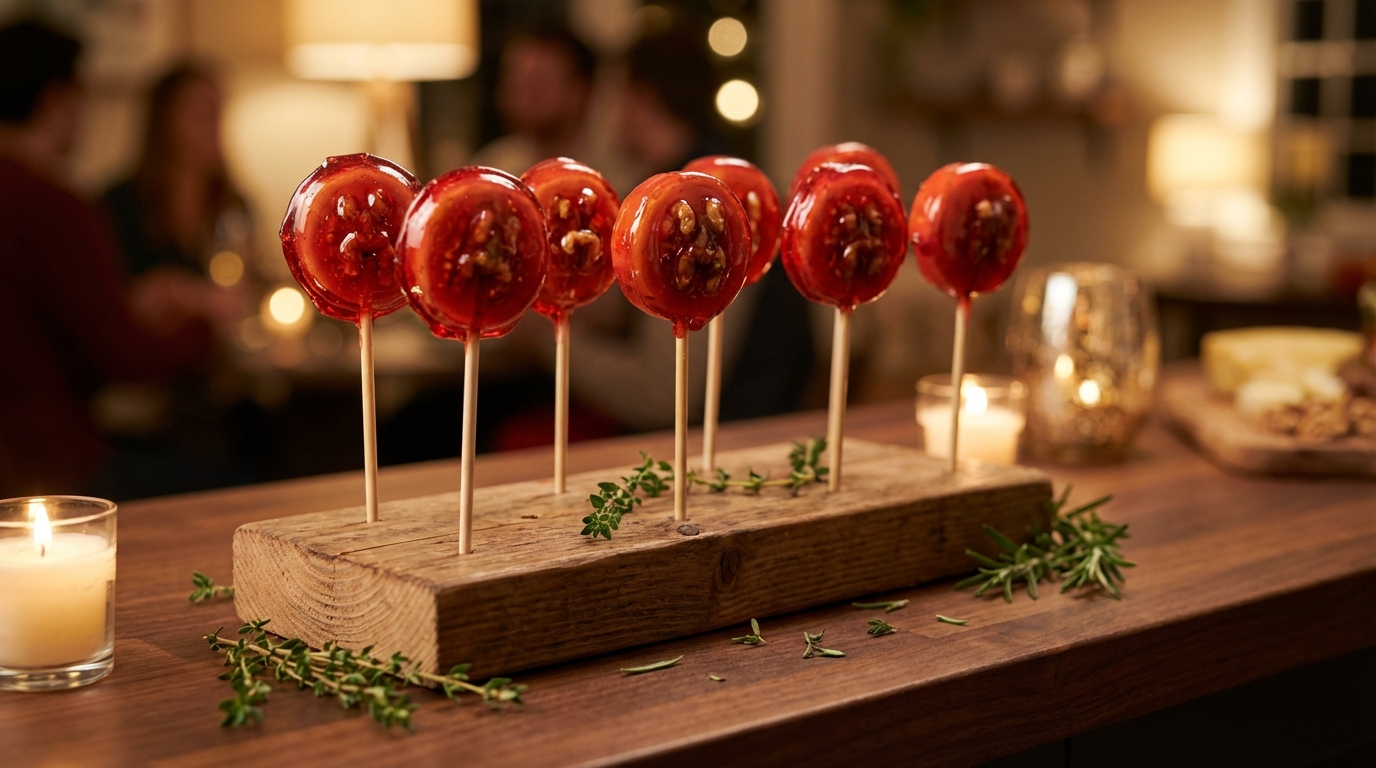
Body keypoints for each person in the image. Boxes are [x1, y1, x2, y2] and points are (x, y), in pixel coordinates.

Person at [0, 21, 212, 498]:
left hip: (15, 458)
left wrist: (125, 307)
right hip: (58, 472)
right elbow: (127, 358)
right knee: (259, 476)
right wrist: (206, 324)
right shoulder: (53, 205)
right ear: (58, 102)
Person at [471, 27, 598, 175]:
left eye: (539, 82)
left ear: (580, 89)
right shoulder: (493, 168)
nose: (523, 96)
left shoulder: (617, 176)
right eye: (516, 81)